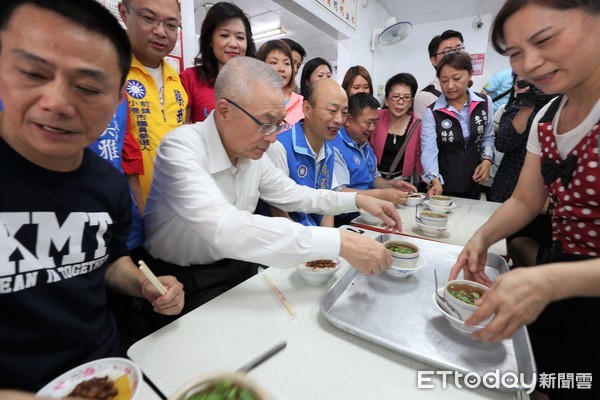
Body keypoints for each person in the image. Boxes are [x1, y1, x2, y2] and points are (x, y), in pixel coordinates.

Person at [0, 0, 184, 396]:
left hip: (105, 374)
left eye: (87, 88)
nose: (57, 103)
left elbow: (107, 260)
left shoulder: (108, 183)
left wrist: (144, 284)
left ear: (119, 101)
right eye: (32, 73)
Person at [144, 57, 403, 317]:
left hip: (238, 265)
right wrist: (339, 242)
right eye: (265, 122)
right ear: (224, 111)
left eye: (278, 123)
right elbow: (224, 227)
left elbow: (293, 194)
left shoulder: (252, 152)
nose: (272, 137)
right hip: (180, 280)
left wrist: (357, 200)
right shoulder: (180, 148)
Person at [449, 1, 600, 399]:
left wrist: (550, 280)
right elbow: (526, 199)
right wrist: (482, 237)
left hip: (570, 280)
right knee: (545, 380)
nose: (529, 64)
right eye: (515, 53)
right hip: (561, 276)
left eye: (545, 39)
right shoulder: (548, 114)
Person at [118, 0, 188, 205]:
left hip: (172, 208)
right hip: (125, 212)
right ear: (124, 13)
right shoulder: (110, 71)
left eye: (171, 25)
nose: (161, 32)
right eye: (149, 18)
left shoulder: (176, 80)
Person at [489, 78, 554, 267]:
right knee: (508, 247)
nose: (523, 86)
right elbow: (503, 144)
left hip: (547, 199)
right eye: (519, 81)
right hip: (510, 188)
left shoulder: (559, 109)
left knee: (536, 256)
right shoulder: (515, 108)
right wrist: (525, 110)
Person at [264, 79, 345, 227]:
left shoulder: (329, 150)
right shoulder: (279, 147)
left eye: (344, 113)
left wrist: (329, 240)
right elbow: (280, 215)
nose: (339, 120)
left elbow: (327, 206)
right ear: (307, 109)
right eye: (332, 111)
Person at [332, 93, 416, 227]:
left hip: (370, 214)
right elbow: (338, 193)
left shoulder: (365, 145)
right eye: (368, 123)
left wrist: (392, 184)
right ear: (348, 120)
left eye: (375, 123)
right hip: (347, 220)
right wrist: (382, 195)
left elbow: (374, 179)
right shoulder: (334, 146)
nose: (372, 128)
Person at [420, 52, 495, 200]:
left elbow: (487, 137)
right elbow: (429, 151)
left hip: (472, 183)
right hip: (441, 186)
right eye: (444, 80)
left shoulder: (484, 102)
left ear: (470, 75)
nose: (450, 86)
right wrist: (434, 180)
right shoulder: (432, 112)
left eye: (456, 78)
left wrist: (486, 160)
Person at [180, 2, 255, 123]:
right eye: (224, 35)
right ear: (210, 39)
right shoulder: (190, 79)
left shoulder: (256, 82)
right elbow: (182, 131)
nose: (233, 44)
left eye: (240, 37)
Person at [370, 73, 423, 185]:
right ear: (386, 100)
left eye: (406, 97)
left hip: (402, 183)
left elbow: (419, 158)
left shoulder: (417, 125)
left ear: (411, 102)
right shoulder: (375, 118)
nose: (400, 102)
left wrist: (428, 180)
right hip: (373, 180)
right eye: (396, 96)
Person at [413, 30, 465, 119]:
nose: (456, 56)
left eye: (459, 49)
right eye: (447, 52)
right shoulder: (425, 97)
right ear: (434, 61)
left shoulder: (469, 91)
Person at [257, 39, 304, 128]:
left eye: (287, 63)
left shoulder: (302, 104)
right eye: (274, 62)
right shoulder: (250, 100)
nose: (281, 68)